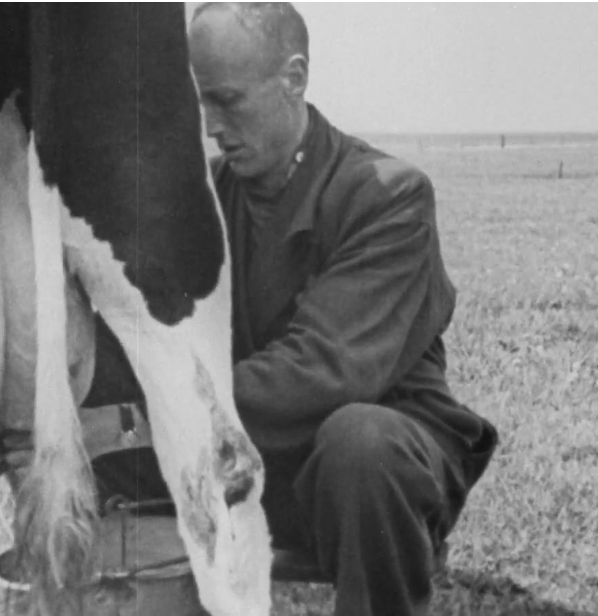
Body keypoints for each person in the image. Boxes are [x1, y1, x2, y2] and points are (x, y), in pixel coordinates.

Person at [85, 3, 499, 616]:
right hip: (250, 456)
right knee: (102, 444)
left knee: (362, 442)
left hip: (366, 468)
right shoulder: (202, 199)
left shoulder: (388, 196)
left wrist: (164, 411)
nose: (209, 124)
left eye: (227, 99)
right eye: (198, 101)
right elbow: (141, 332)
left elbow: (326, 368)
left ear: (294, 77)